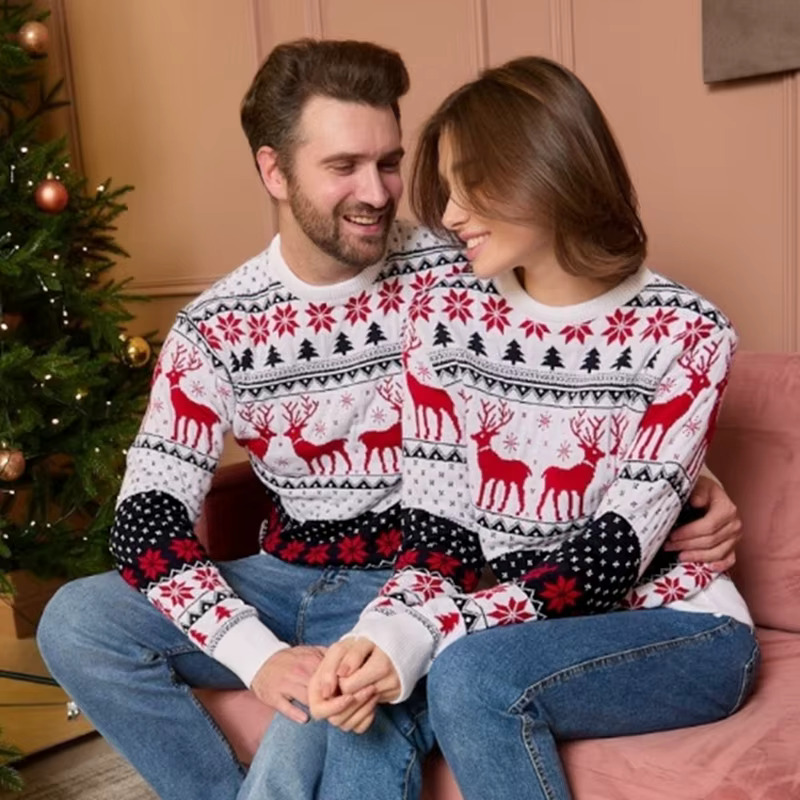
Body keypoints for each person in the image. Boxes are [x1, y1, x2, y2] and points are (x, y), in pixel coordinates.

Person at [35, 40, 741, 800]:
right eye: (343, 167)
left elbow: (583, 353)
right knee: (77, 619)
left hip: (430, 573)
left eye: (390, 162)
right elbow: (147, 515)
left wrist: (685, 482)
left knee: (360, 707)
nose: (377, 192)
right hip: (294, 578)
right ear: (274, 171)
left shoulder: (464, 266)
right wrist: (258, 658)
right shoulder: (216, 327)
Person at [301, 56, 759, 800]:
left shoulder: (688, 332)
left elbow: (613, 556)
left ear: (547, 169)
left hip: (680, 626)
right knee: (366, 703)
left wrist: (429, 634)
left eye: (470, 183)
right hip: (520, 620)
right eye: (443, 189)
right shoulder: (442, 320)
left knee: (472, 674)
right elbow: (440, 531)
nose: (448, 215)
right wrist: (382, 637)